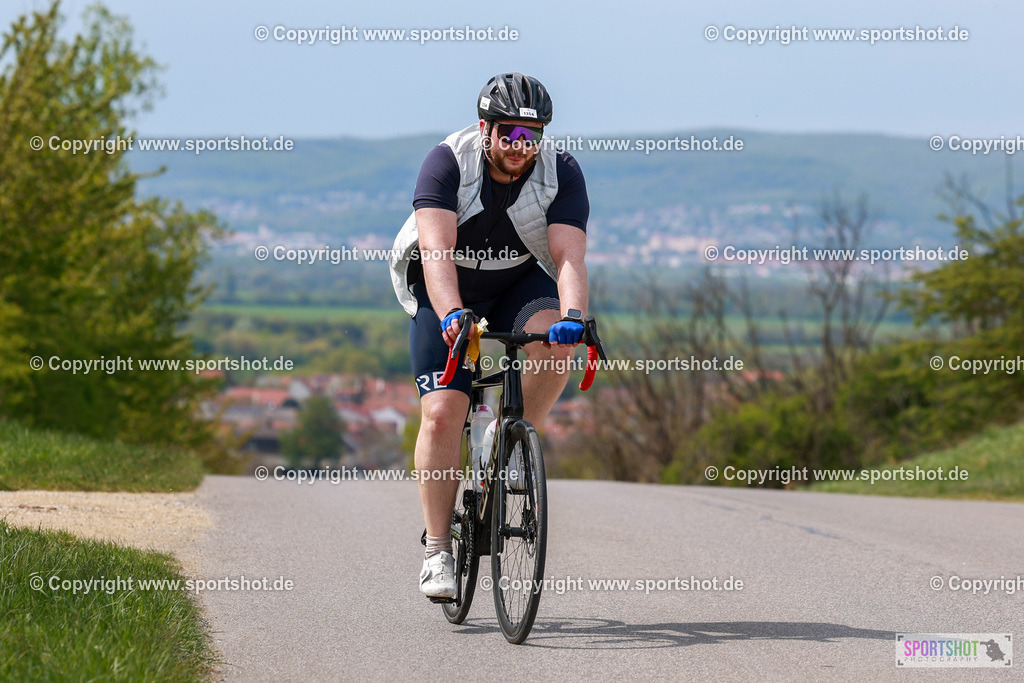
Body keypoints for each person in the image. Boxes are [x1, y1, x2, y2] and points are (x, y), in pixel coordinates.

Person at [388, 72, 591, 599]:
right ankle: (437, 550)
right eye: (510, 135)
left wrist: (574, 315)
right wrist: (453, 313)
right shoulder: (448, 163)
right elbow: (435, 253)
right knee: (442, 413)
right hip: (445, 285)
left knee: (555, 340)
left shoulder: (561, 172)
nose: (521, 148)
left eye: (532, 136)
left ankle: (515, 441)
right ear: (486, 129)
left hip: (515, 283)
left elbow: (569, 256)